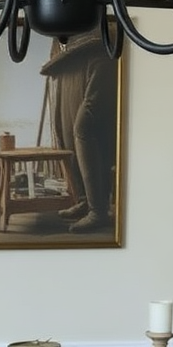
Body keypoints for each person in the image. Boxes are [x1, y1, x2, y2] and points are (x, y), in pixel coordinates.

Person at [40, 29, 118, 234]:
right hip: (69, 59)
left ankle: (98, 210)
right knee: (65, 130)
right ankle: (84, 200)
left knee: (85, 127)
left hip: (99, 51)